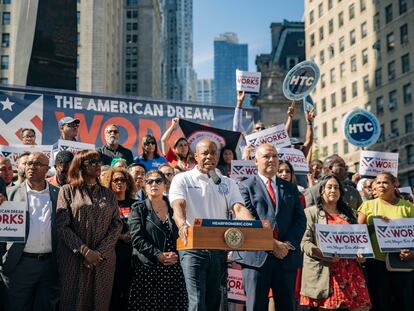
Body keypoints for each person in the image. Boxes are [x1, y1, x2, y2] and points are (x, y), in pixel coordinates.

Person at [169, 139, 254, 311]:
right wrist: (181, 224)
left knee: (214, 302)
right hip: (192, 248)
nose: (210, 156)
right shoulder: (182, 179)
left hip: (218, 249)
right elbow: (178, 206)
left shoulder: (227, 183)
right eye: (205, 153)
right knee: (198, 302)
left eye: (213, 153)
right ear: (195, 156)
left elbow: (238, 208)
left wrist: (252, 226)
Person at [232, 144, 306, 311]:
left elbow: (300, 221)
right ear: (255, 160)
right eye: (266, 156)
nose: (271, 160)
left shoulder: (290, 187)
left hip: (285, 258)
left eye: (274, 156)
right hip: (256, 259)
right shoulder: (244, 186)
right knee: (256, 306)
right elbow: (249, 222)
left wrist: (287, 245)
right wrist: (273, 245)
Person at [56, 150, 123, 311]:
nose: (98, 165)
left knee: (99, 303)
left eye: (98, 161)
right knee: (72, 302)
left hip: (103, 260)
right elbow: (61, 226)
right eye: (92, 162)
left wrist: (99, 253)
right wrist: (85, 251)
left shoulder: (109, 194)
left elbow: (117, 226)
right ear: (80, 166)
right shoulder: (67, 190)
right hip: (74, 258)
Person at [300, 174, 371, 310]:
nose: (333, 190)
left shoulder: (350, 213)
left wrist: (362, 253)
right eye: (329, 187)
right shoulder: (310, 213)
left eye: (336, 187)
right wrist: (322, 254)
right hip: (326, 271)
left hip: (351, 270)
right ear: (321, 191)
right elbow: (305, 243)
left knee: (361, 307)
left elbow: (359, 241)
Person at [1, 152, 60, 311]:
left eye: (37, 164)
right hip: (20, 264)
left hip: (50, 265)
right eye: (28, 164)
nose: (31, 167)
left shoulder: (59, 194)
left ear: (47, 169)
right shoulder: (10, 193)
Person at [128, 170, 188, 310]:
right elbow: (137, 239)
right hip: (149, 268)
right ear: (144, 186)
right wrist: (158, 255)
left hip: (175, 267)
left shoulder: (175, 207)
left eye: (158, 181)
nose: (153, 184)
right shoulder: (138, 209)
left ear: (165, 185)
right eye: (149, 181)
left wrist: (177, 255)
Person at [358, 172, 414, 311]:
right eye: (378, 183)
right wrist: (374, 226)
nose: (381, 185)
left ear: (394, 184)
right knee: (380, 302)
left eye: (385, 182)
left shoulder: (407, 207)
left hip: (402, 263)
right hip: (376, 263)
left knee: (404, 303)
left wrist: (412, 254)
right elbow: (358, 233)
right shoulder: (368, 206)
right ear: (374, 188)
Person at [101, 167, 137, 311]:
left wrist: (132, 235)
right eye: (116, 180)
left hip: (132, 255)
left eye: (123, 180)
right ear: (110, 183)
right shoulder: (105, 204)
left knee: (130, 293)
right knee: (113, 293)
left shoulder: (136, 204)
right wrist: (120, 236)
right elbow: (102, 229)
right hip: (113, 254)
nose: (120, 183)